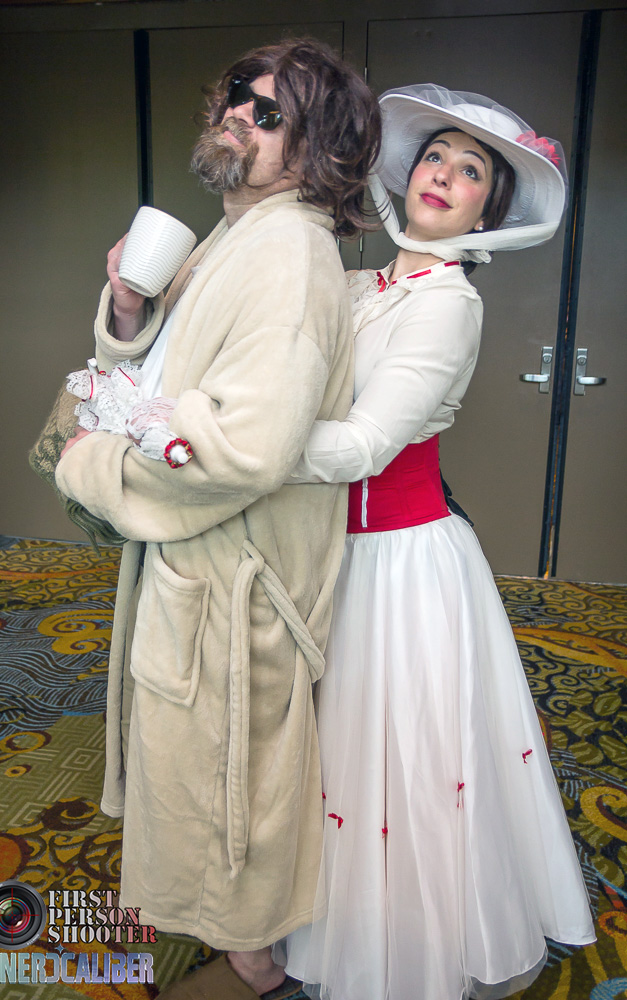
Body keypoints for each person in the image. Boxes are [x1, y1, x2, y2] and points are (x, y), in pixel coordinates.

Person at [54, 39, 381, 1000]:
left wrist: (90, 462)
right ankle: (246, 951)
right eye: (239, 94)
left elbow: (243, 448)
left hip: (236, 582)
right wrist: (128, 308)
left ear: (317, 150)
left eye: (269, 112)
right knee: (197, 776)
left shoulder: (289, 254)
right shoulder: (234, 234)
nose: (240, 111)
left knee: (233, 791)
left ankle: (259, 971)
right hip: (201, 569)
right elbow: (165, 377)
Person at [279, 84, 596, 1000]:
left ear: (484, 215)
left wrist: (233, 452)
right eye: (435, 157)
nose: (444, 176)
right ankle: (332, 926)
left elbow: (362, 448)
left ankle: (408, 950)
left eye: (470, 173)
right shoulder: (361, 286)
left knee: (409, 761)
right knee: (336, 758)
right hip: (327, 555)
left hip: (402, 564)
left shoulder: (448, 302)